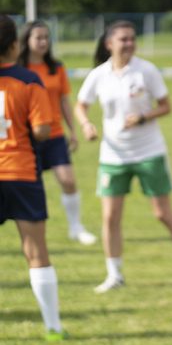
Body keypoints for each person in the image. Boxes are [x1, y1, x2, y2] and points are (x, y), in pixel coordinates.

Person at [75, 20, 172, 294]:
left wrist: (144, 116)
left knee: (163, 213)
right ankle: (115, 275)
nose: (129, 44)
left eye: (132, 39)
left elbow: (166, 106)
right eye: (123, 39)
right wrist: (87, 124)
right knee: (110, 217)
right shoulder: (99, 74)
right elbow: (81, 105)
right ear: (109, 43)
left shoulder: (146, 71)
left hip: (149, 152)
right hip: (113, 155)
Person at [0, 14, 68, 341]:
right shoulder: (29, 80)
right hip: (21, 173)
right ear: (15, 44)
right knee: (35, 250)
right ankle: (53, 327)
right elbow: (42, 130)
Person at [18, 20, 97, 246]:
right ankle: (32, 234)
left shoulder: (56, 68)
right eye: (38, 37)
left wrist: (73, 131)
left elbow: (64, 100)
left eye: (46, 37)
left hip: (54, 135)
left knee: (68, 180)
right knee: (30, 189)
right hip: (27, 137)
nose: (43, 42)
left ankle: (76, 228)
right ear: (27, 41)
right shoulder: (19, 69)